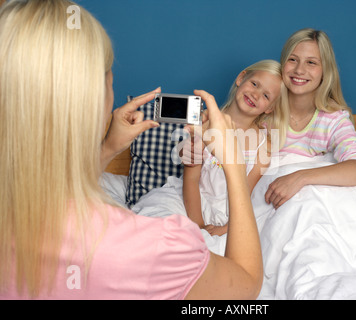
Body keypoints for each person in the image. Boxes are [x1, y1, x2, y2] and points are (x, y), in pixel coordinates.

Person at [0, 0, 262, 300]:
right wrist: (233, 164)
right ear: (97, 97)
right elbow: (244, 288)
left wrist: (109, 147)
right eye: (109, 74)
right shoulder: (156, 244)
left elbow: (55, 192)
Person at [264, 28, 356, 209]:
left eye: (311, 63)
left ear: (325, 71)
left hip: (313, 207)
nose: (300, 70)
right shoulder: (265, 108)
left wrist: (301, 177)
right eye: (293, 60)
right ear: (282, 64)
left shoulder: (333, 120)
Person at [182, 60, 288, 236]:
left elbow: (245, 195)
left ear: (270, 108)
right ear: (241, 78)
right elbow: (191, 180)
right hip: (192, 205)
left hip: (230, 215)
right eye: (254, 84)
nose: (255, 95)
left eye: (266, 96)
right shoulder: (204, 124)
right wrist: (199, 228)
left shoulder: (264, 145)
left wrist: (226, 229)